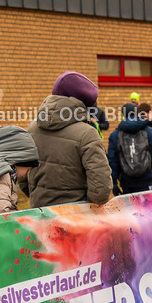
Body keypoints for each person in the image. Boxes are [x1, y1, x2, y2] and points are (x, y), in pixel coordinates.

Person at [22, 71, 111, 208]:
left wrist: (37, 196)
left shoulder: (32, 128)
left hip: (39, 212)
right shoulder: (87, 134)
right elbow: (101, 190)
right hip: (77, 215)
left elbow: (22, 176)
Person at [107, 102, 152, 196]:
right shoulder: (149, 131)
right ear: (138, 113)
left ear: (123, 114)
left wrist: (114, 184)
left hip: (127, 184)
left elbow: (112, 161)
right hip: (148, 181)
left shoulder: (115, 135)